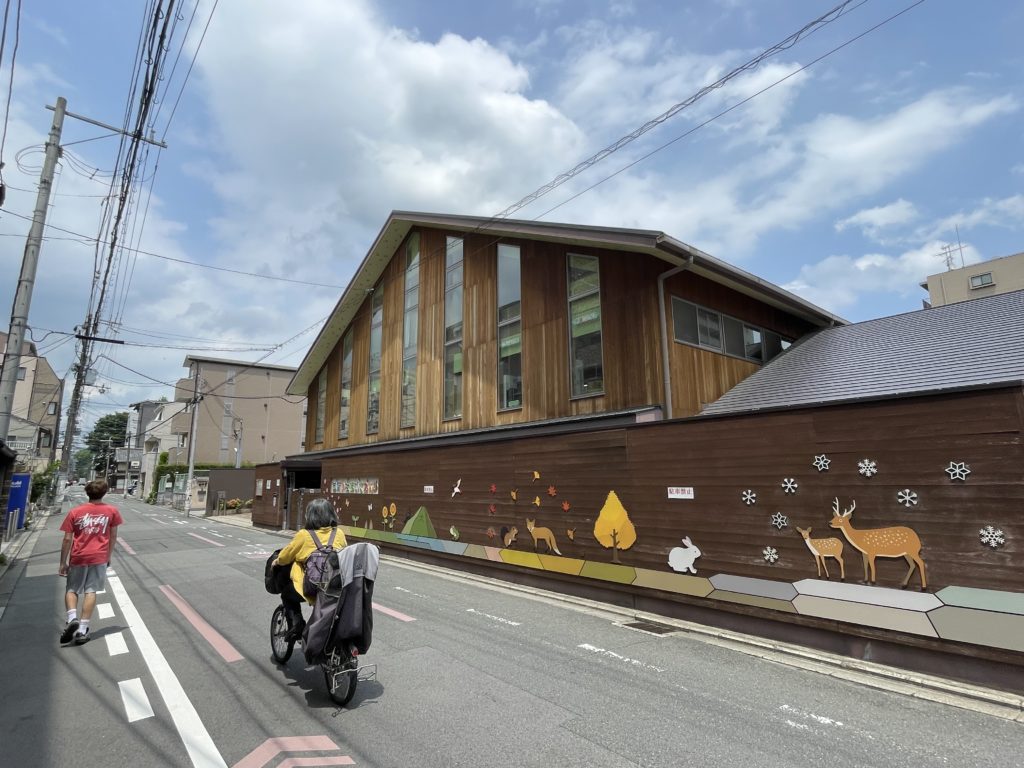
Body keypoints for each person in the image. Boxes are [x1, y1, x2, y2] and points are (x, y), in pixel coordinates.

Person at [58, 479, 123, 645]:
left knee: (72, 589)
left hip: (78, 556)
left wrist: (63, 562)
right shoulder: (112, 511)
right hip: (99, 556)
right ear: (104, 493)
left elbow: (67, 539)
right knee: (91, 590)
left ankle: (72, 618)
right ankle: (82, 629)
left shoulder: (75, 512)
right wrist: (108, 556)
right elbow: (113, 536)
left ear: (87, 492)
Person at [271, 498, 346, 641]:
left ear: (310, 516)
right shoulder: (339, 533)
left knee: (287, 595)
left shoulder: (304, 535)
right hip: (335, 586)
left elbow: (286, 556)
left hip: (312, 587)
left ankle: (297, 624)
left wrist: (276, 561)